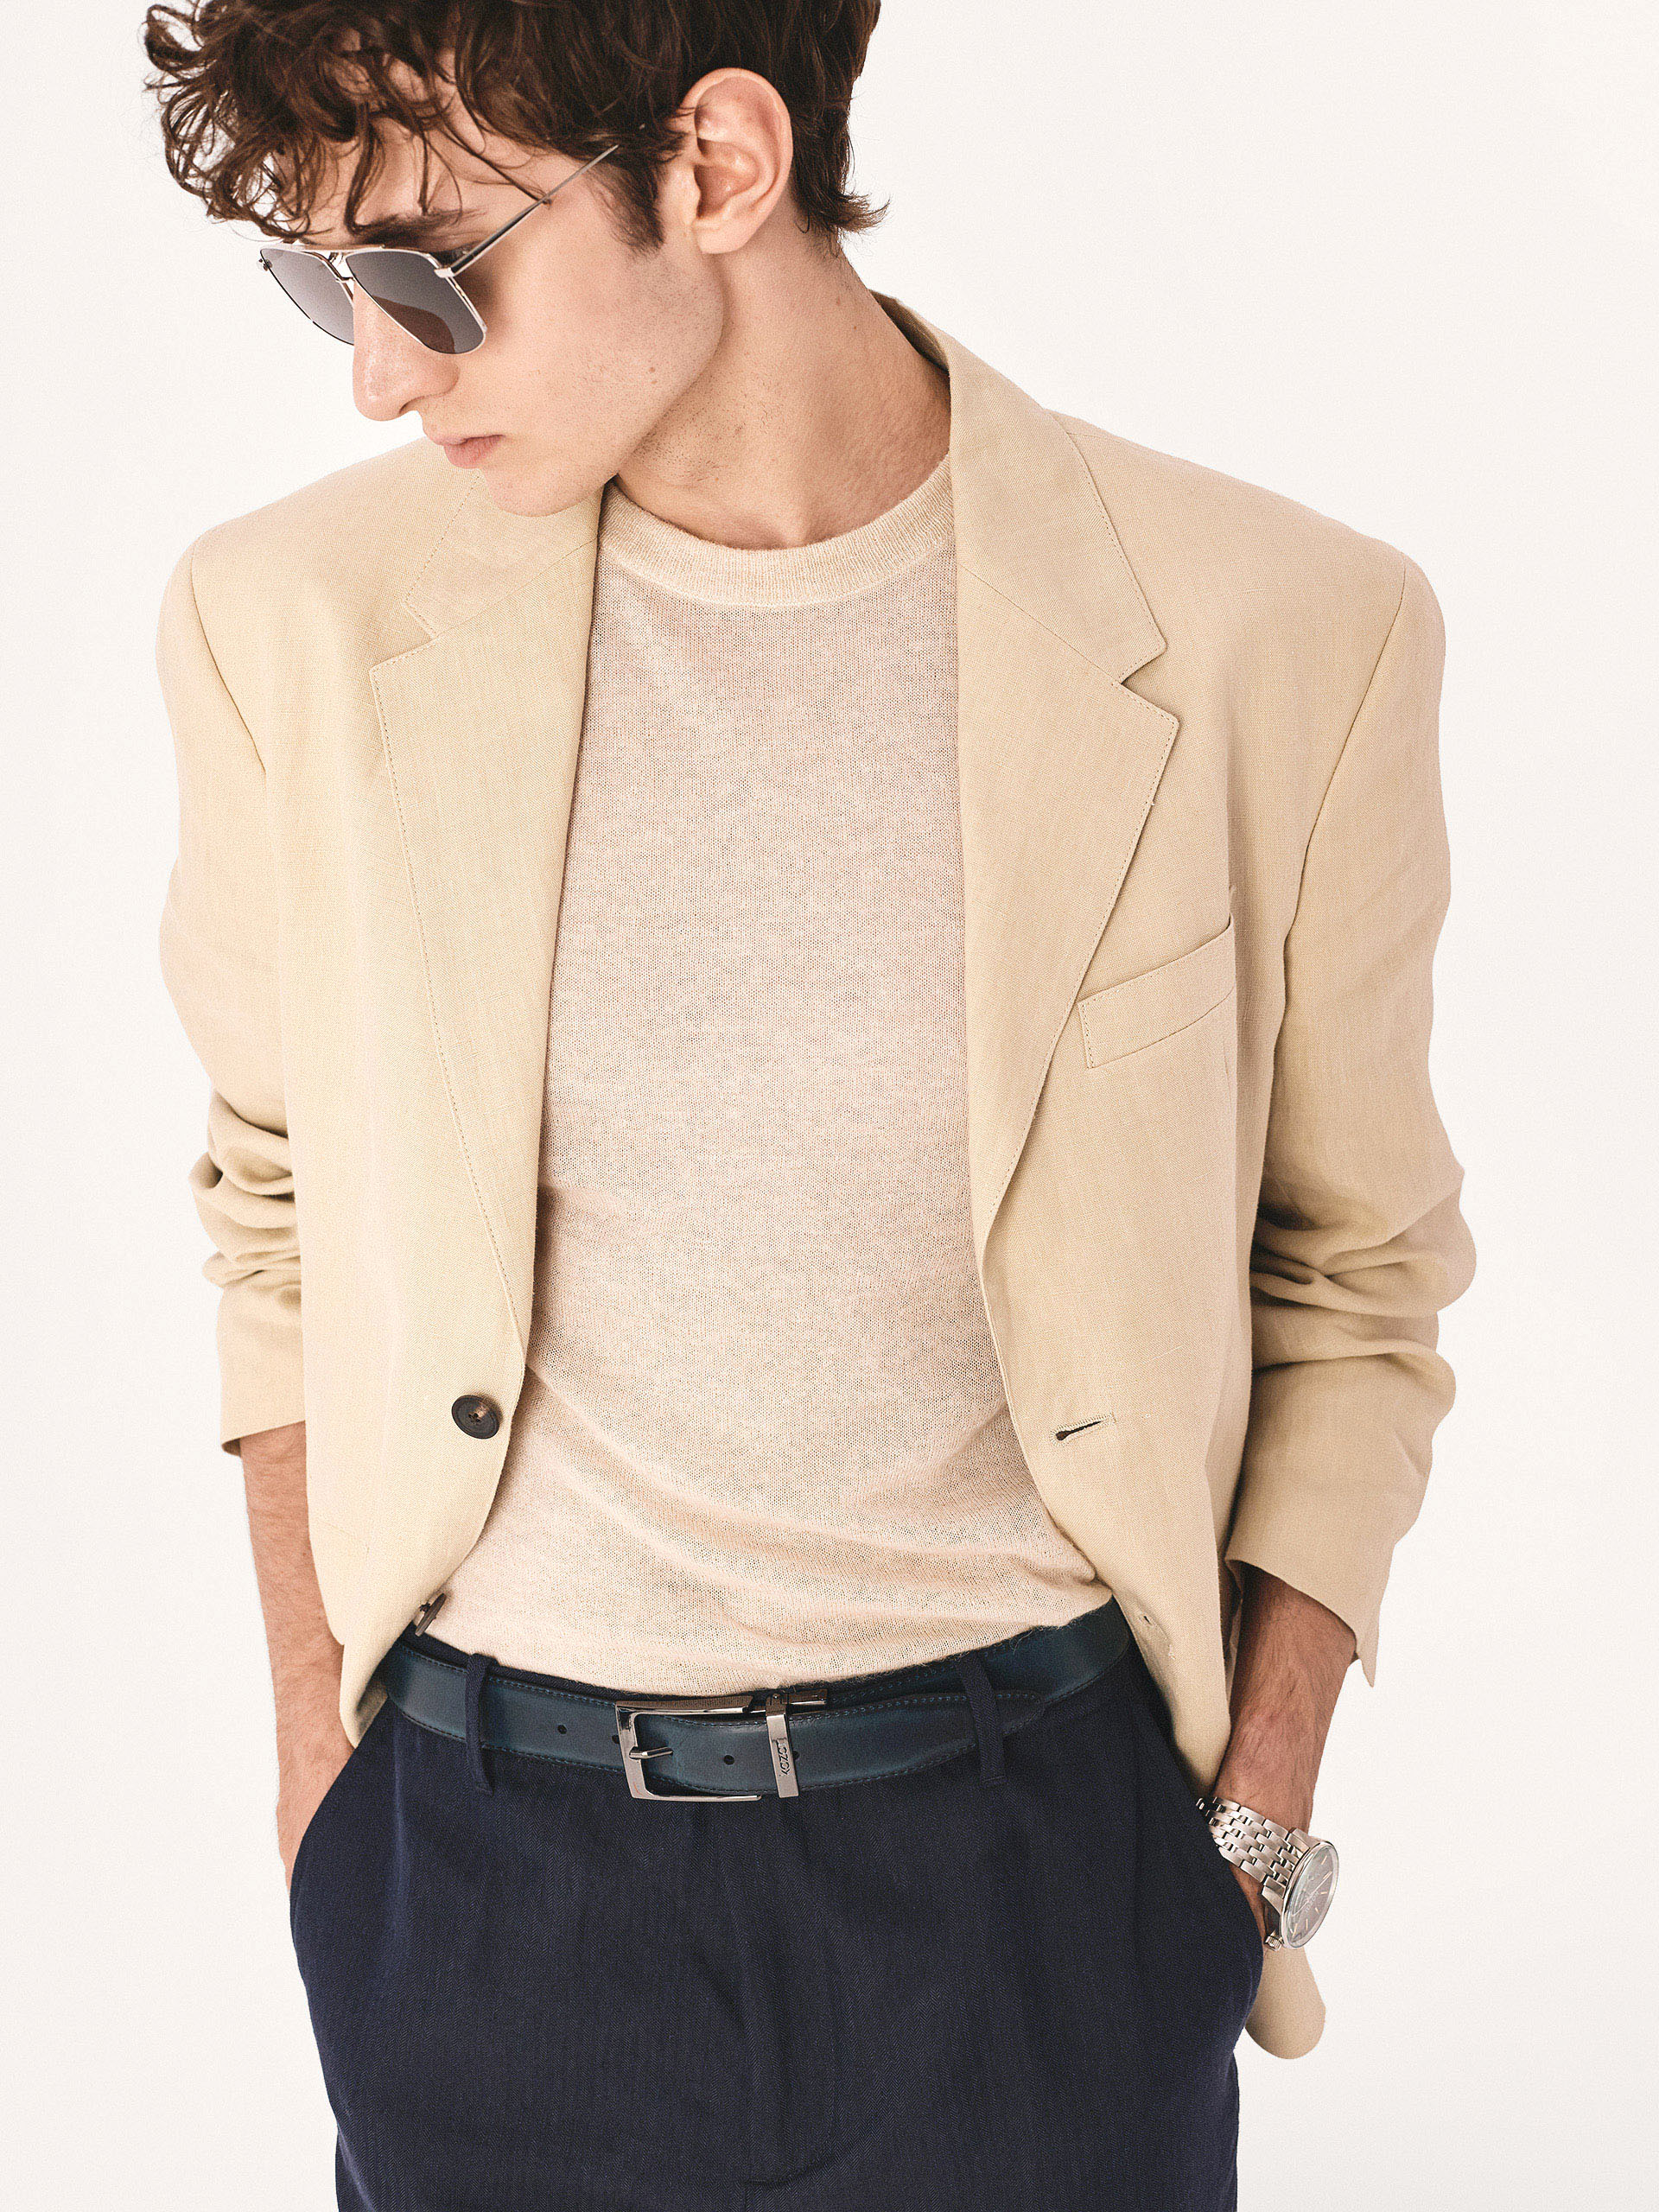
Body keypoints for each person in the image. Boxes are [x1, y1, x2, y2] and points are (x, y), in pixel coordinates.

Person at [143, 3, 1475, 2205]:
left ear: (720, 165)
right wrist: (322, 1776)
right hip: (479, 1898)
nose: (377, 377)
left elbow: (1355, 1274)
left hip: (1036, 1901)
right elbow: (268, 1203)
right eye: (323, 286)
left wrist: (1247, 1828)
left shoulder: (1282, 632)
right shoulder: (286, 622)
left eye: (427, 276)